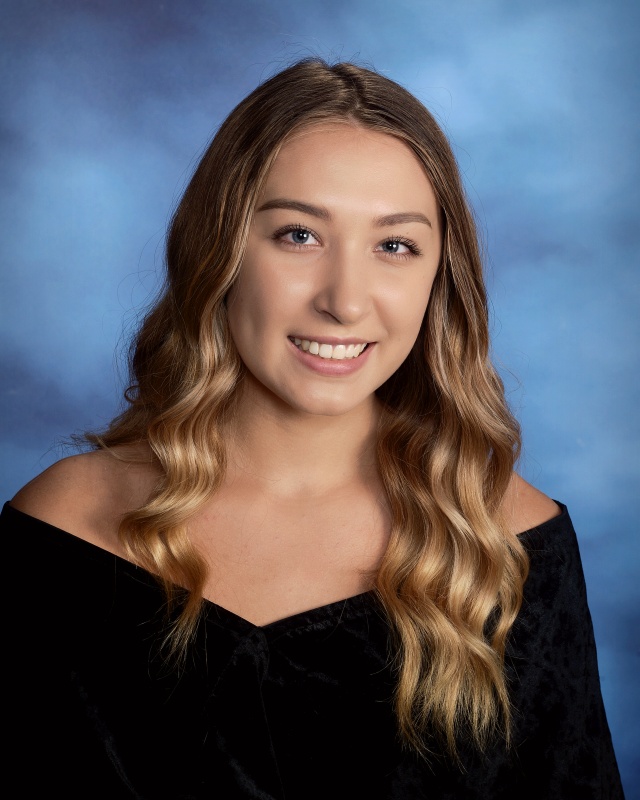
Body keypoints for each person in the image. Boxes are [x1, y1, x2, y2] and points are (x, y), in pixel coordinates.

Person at [3, 59, 624, 799]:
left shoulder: (509, 544)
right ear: (221, 249)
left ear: (437, 279)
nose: (345, 300)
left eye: (394, 246)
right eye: (298, 235)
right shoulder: (68, 530)